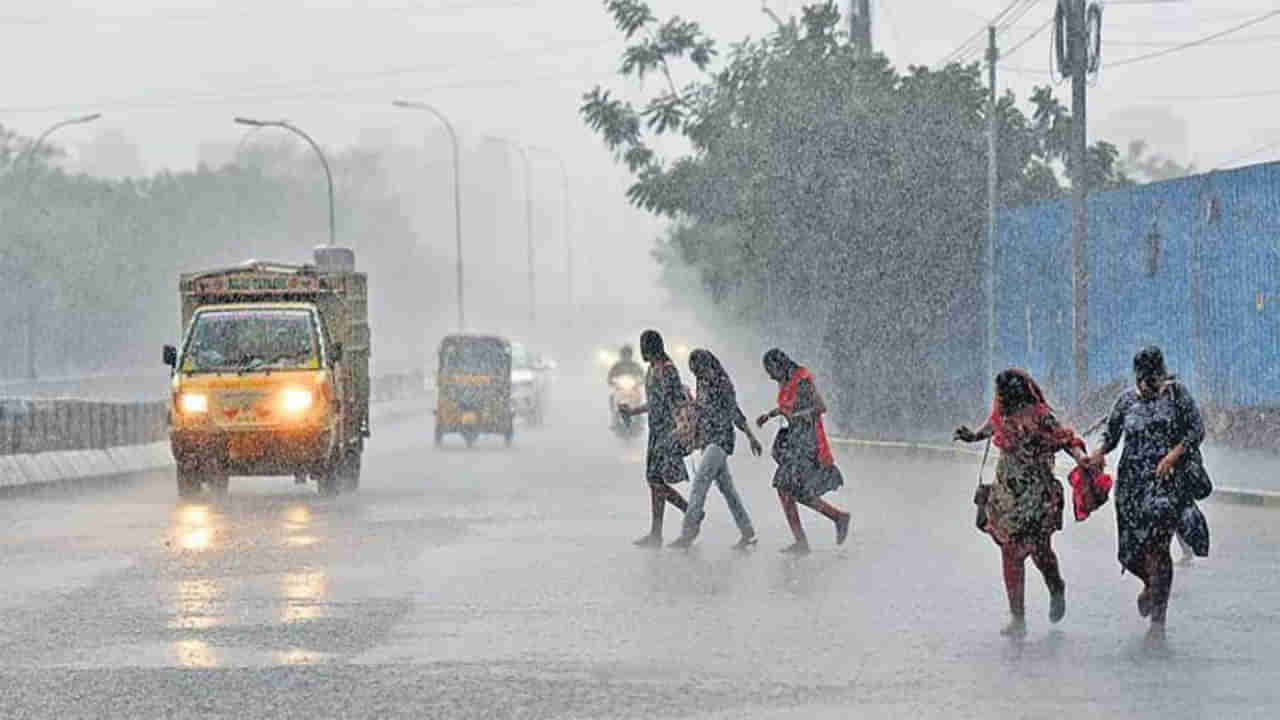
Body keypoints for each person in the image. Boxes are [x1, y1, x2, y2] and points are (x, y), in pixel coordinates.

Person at [954, 369, 1090, 637]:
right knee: (1010, 552)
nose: (999, 400)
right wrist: (972, 436)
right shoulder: (1002, 413)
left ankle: (1055, 586)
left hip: (1036, 494)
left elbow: (1065, 439)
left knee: (1040, 550)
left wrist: (1080, 458)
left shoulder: (1040, 416)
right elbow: (990, 427)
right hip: (1008, 494)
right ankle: (1018, 618)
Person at [1083, 346, 1206, 640]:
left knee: (1159, 548)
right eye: (1144, 379)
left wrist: (1172, 456)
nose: (1150, 385)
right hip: (1131, 488)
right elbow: (1112, 435)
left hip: (1165, 485)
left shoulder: (1177, 396)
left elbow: (1196, 431)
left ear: (1162, 373)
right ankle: (1152, 586)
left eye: (1155, 378)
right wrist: (1099, 453)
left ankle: (1158, 623)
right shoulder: (1126, 400)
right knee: (1131, 552)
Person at [757, 348, 851, 555]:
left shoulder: (801, 381)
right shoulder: (786, 382)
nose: (770, 376)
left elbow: (819, 407)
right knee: (794, 491)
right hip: (795, 440)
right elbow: (787, 407)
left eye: (771, 370)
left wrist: (798, 416)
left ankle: (805, 540)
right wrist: (769, 415)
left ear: (779, 365)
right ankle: (836, 518)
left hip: (806, 441)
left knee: (785, 487)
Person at [669, 349, 764, 550]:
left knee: (699, 484)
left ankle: (687, 533)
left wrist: (751, 436)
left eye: (700, 370)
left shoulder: (723, 383)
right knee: (728, 491)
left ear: (708, 365)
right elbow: (702, 408)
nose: (698, 375)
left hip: (721, 440)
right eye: (694, 372)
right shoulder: (702, 382)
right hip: (707, 439)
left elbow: (734, 411)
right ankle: (748, 533)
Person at [618, 330, 690, 547]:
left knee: (655, 481)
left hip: (667, 432)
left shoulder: (667, 371)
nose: (641, 351)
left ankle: (691, 511)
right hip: (656, 431)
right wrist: (632, 411)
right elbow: (655, 404)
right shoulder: (652, 370)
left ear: (652, 347)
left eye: (644, 346)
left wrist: (680, 430)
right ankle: (656, 533)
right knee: (656, 481)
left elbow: (676, 402)